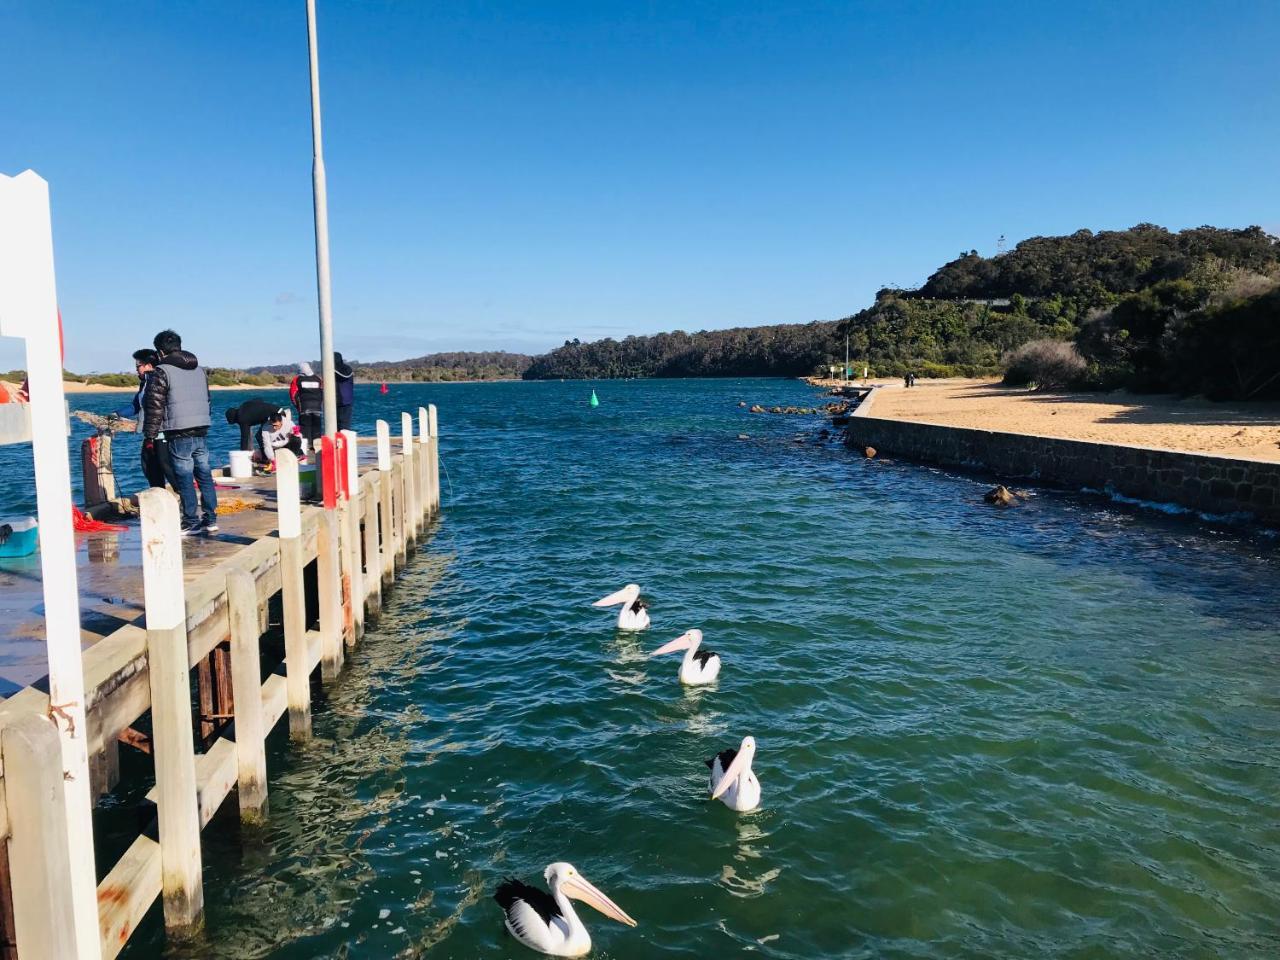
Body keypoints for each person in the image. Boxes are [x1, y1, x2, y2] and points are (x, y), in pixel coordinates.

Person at [143, 329, 218, 536]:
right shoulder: (200, 370)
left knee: (184, 477)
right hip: (201, 428)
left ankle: (190, 521)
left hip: (178, 430)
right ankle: (211, 519)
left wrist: (150, 435)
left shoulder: (161, 371)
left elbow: (155, 407)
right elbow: (208, 399)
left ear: (160, 351)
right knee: (204, 475)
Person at [118, 348, 176, 490]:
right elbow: (136, 406)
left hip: (163, 433)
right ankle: (160, 498)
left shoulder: (159, 380)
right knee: (150, 468)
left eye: (138, 366)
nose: (136, 370)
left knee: (168, 469)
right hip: (150, 434)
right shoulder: (143, 383)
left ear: (149, 365)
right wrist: (116, 414)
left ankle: (186, 501)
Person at [289, 361, 324, 450]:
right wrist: (321, 404)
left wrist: (297, 406)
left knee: (305, 427)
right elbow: (323, 392)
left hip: (304, 407)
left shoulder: (297, 379)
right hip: (317, 408)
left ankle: (306, 446)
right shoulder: (317, 379)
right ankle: (316, 446)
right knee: (316, 427)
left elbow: (293, 394)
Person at [334, 352, 355, 430]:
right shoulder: (347, 369)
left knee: (342, 426)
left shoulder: (345, 369)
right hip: (339, 402)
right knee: (339, 425)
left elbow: (343, 376)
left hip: (342, 401)